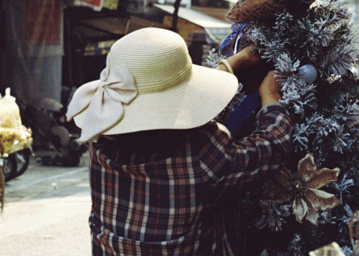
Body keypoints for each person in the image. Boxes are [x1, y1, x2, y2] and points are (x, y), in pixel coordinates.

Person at [66, 27, 293, 255]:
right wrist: (271, 100)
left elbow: (165, 115)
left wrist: (228, 66)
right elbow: (270, 148)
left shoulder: (99, 144)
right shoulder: (201, 152)